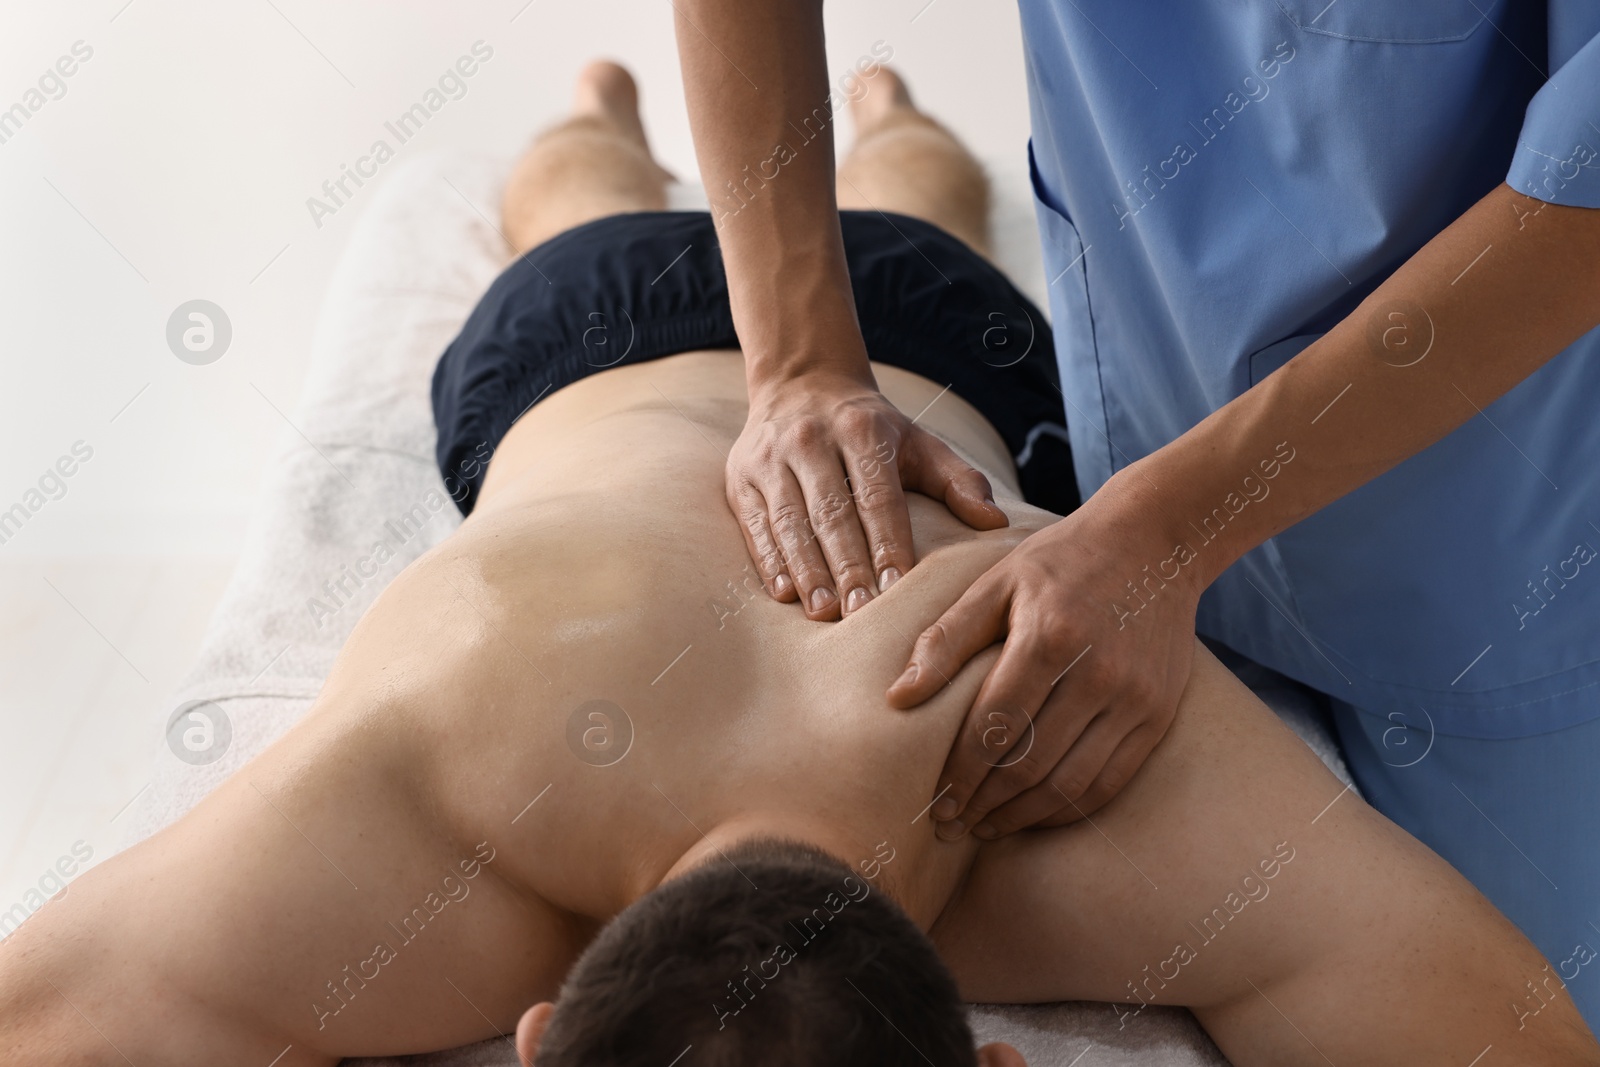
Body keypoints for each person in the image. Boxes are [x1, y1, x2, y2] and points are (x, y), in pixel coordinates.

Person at [1, 62, 1594, 1067]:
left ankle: (705, 124)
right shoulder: (410, 837)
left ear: (539, 1042)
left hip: (712, 354)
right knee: (644, 193)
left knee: (783, 204)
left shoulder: (410, 801)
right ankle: (658, 116)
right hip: (702, 344)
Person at [671, 0, 1600, 1025]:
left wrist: (1171, 529)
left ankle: (875, 110)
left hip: (1510, 509)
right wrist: (798, 358)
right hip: (1145, 369)